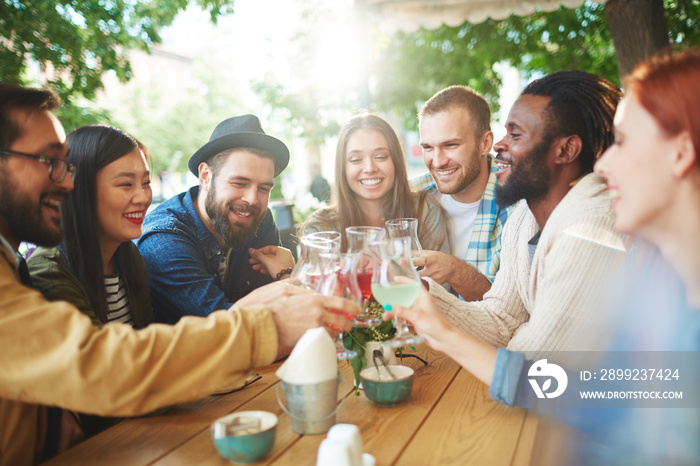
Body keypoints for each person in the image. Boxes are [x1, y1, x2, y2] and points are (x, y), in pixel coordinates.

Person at [0, 83, 357, 466]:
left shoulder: (126, 259)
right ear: (205, 175)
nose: (65, 182)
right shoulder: (153, 242)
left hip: (163, 423)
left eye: (145, 182)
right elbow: (103, 371)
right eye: (49, 162)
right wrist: (264, 321)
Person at [391, 50, 700, 464]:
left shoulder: (596, 227)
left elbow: (549, 379)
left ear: (680, 154)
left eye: (624, 142)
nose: (604, 163)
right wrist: (424, 298)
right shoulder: (662, 289)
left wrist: (446, 333)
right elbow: (599, 397)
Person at [391, 70, 625, 357]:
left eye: (515, 134)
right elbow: (501, 321)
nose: (501, 146)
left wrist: (442, 332)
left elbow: (534, 361)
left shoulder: (592, 227)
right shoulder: (524, 219)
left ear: (566, 150)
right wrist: (420, 290)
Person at [137, 115, 296, 323]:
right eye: (240, 183)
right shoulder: (164, 239)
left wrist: (284, 285)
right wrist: (287, 277)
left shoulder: (260, 217)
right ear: (205, 176)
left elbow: (286, 312)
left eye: (264, 188)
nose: (252, 199)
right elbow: (232, 330)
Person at [411, 86, 516, 300]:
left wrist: (455, 270)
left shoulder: (518, 206)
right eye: (428, 148)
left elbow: (511, 308)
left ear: (485, 143)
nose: (438, 161)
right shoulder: (412, 195)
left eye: (450, 145)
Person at [300, 113, 446, 252]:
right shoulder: (320, 227)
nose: (370, 168)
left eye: (381, 157)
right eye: (356, 159)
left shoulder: (424, 209)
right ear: (342, 168)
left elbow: (436, 275)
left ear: (396, 161)